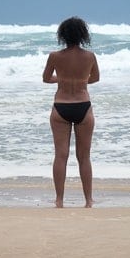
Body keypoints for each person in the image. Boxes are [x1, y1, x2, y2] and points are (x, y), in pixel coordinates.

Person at [42, 16, 99, 208]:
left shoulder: (55, 56)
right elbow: (95, 78)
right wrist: (80, 81)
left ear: (62, 35)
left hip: (61, 107)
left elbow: (46, 78)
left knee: (60, 155)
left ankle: (59, 200)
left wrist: (63, 80)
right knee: (84, 156)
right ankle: (88, 200)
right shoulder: (90, 56)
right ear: (83, 35)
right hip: (83, 105)